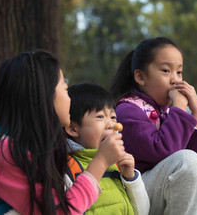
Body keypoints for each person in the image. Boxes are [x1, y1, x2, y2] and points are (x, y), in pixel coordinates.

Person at [0, 50, 128, 214]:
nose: (69, 98)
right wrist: (101, 162)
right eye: (65, 89)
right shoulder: (1, 151)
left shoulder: (37, 146)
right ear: (45, 96)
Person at [109, 37, 197, 214]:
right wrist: (179, 107)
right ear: (140, 76)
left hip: (165, 184)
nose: (175, 80)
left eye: (179, 72)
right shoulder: (127, 110)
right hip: (137, 192)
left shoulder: (167, 112)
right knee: (187, 160)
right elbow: (164, 151)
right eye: (166, 71)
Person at [64, 83, 149, 215]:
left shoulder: (117, 165)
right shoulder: (66, 168)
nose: (113, 125)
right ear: (73, 128)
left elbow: (142, 212)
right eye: (100, 117)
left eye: (113, 117)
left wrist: (131, 178)